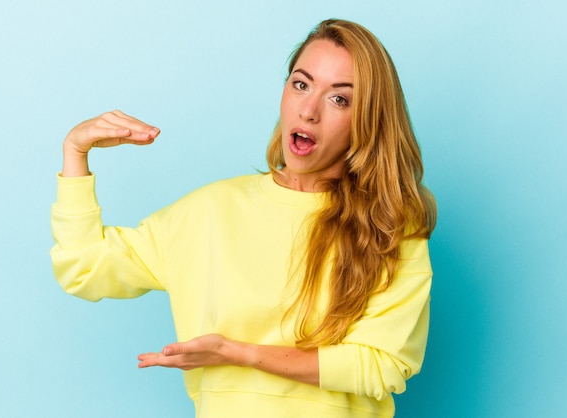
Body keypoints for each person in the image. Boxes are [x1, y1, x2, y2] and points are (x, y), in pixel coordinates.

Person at [50, 18, 436, 418]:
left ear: (368, 120)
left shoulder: (390, 226)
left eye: (339, 99)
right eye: (301, 84)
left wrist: (238, 353)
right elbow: (84, 267)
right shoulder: (208, 211)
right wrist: (75, 151)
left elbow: (382, 365)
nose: (308, 110)